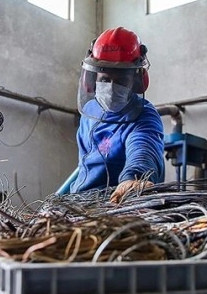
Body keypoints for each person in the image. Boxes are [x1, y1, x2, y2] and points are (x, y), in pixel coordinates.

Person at [71, 27, 165, 203]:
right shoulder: (90, 112)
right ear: (91, 80)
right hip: (79, 201)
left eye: (121, 80)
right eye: (105, 79)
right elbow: (85, 164)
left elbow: (143, 148)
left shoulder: (145, 117)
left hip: (117, 203)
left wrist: (134, 178)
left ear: (137, 81)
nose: (111, 87)